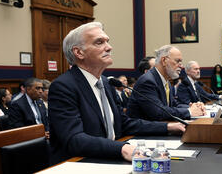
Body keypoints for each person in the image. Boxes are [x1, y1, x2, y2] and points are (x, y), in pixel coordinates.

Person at [48, 22, 185, 164]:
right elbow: (74, 139)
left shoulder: (107, 83)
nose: (109, 47)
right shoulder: (63, 86)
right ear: (79, 52)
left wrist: (168, 127)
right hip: (79, 162)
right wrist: (122, 148)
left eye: (107, 41)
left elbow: (124, 124)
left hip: (107, 157)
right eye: (99, 42)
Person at [127, 45, 205, 121]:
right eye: (178, 61)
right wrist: (189, 111)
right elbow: (158, 112)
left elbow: (174, 105)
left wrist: (192, 107)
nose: (181, 66)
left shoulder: (166, 81)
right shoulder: (147, 81)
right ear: (164, 61)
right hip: (143, 132)